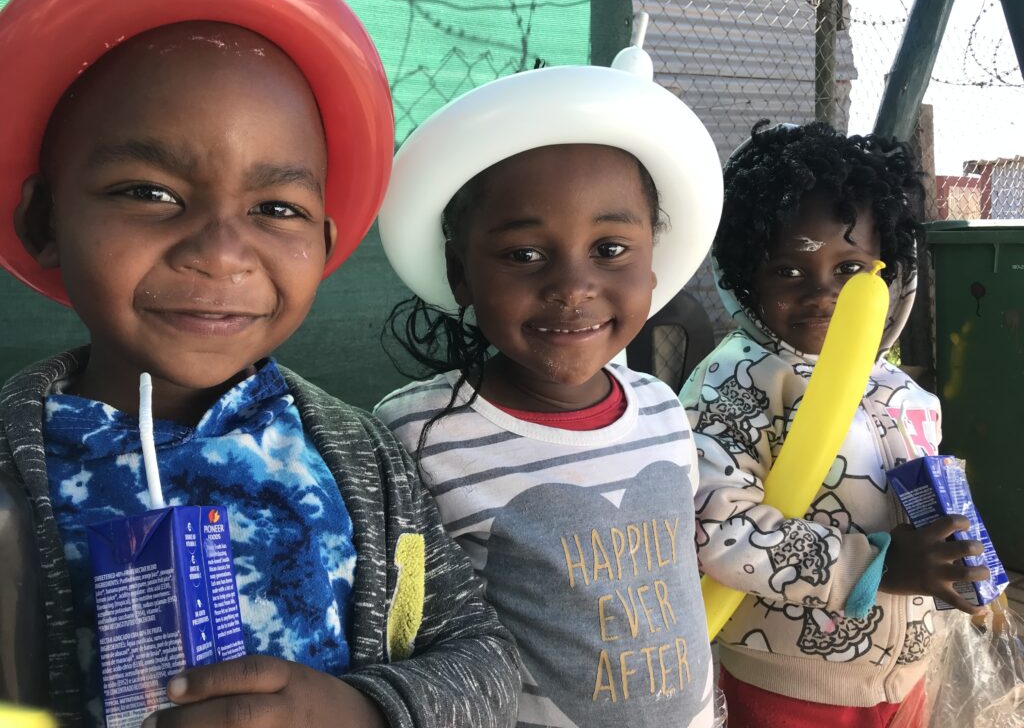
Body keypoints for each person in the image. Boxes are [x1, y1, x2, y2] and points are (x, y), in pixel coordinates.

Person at [0, 0, 519, 727]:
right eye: (150, 193)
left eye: (276, 207)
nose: (221, 252)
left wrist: (364, 711)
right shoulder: (13, 475)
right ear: (45, 220)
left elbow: (483, 656)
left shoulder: (363, 461)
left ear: (325, 241)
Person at [373, 43, 725, 727]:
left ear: (654, 267)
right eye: (525, 255)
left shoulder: (661, 409)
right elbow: (405, 631)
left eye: (611, 250)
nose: (572, 287)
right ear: (461, 274)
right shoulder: (417, 436)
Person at [680, 121, 989, 728]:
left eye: (849, 269)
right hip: (790, 686)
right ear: (747, 276)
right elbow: (715, 526)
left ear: (886, 267)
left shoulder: (898, 389)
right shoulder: (739, 381)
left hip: (903, 678)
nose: (822, 292)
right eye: (789, 272)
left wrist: (965, 567)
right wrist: (877, 566)